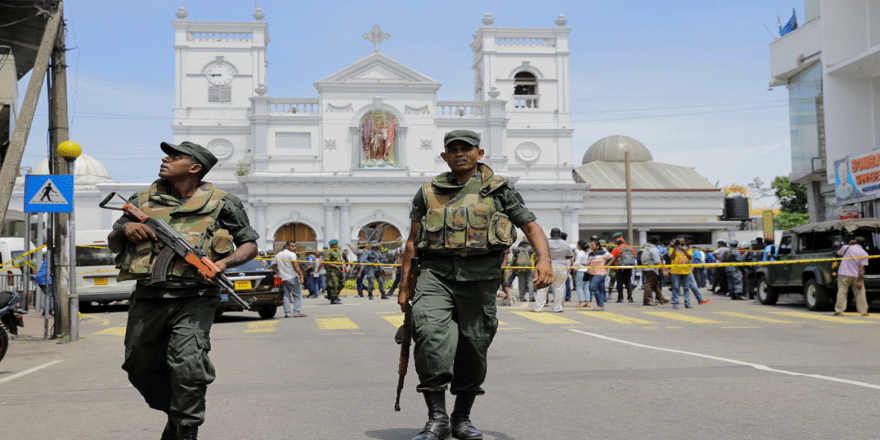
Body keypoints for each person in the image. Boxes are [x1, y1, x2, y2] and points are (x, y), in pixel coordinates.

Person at [398, 130, 552, 440]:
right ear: (444, 156)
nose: (459, 153)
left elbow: (531, 227)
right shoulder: (427, 192)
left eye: (465, 149)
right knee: (429, 335)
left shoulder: (499, 190)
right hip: (435, 274)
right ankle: (437, 419)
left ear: (479, 153)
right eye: (452, 149)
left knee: (473, 344)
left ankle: (462, 418)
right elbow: (412, 243)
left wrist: (544, 260)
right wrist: (405, 286)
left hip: (480, 278)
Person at [108, 141, 259, 440]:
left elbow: (249, 243)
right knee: (138, 366)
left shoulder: (222, 202)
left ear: (194, 167)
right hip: (149, 297)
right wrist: (124, 231)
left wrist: (224, 263)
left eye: (175, 156)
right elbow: (113, 242)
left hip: (196, 297)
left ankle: (186, 429)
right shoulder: (141, 200)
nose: (166, 159)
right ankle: (176, 415)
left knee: (188, 364)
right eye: (167, 155)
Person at [533, 228, 573, 313]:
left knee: (543, 287)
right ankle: (557, 307)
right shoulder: (565, 244)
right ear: (560, 234)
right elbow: (570, 256)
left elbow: (538, 254)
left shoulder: (545, 243)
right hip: (561, 267)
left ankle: (538, 308)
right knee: (559, 288)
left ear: (551, 234)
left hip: (548, 267)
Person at [668, 237, 710, 310]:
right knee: (676, 287)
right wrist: (675, 248)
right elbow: (672, 257)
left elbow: (690, 257)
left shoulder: (689, 249)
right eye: (679, 242)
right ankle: (675, 303)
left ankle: (687, 303)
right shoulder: (671, 249)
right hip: (675, 271)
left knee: (686, 288)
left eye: (682, 242)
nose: (681, 243)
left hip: (686, 271)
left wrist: (683, 250)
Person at [835, 237, 870, 316]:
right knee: (860, 293)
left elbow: (839, 253)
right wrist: (860, 281)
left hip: (843, 273)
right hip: (856, 275)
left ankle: (839, 311)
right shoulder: (865, 254)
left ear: (854, 241)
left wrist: (849, 245)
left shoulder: (846, 247)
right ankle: (863, 311)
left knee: (842, 291)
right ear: (864, 244)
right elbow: (862, 268)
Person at [272, 240, 306, 317]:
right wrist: (301, 275)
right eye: (292, 246)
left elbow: (273, 266)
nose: (294, 248)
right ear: (287, 246)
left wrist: (279, 272)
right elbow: (296, 265)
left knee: (285, 296)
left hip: (282, 278)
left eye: (295, 246)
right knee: (297, 295)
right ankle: (297, 312)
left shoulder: (278, 255)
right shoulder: (291, 254)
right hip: (292, 277)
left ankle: (287, 313)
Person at [586, 240, 615, 311]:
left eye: (593, 245)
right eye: (591, 245)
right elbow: (589, 262)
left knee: (592, 287)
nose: (591, 246)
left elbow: (613, 258)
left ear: (598, 246)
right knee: (597, 289)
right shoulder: (590, 254)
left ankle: (601, 304)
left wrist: (607, 265)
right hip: (591, 273)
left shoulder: (602, 253)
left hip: (600, 273)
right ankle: (600, 305)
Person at [641, 235, 668, 306]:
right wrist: (664, 270)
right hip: (651, 269)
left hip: (646, 268)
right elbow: (658, 261)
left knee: (656, 285)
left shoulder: (647, 248)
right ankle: (646, 301)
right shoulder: (654, 250)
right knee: (649, 285)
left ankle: (662, 299)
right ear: (658, 241)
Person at [610, 232, 636, 302]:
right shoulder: (631, 248)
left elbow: (612, 258)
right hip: (628, 267)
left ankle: (620, 298)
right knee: (628, 282)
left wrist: (609, 266)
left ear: (617, 243)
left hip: (619, 268)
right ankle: (630, 298)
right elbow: (634, 256)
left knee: (620, 283)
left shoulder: (616, 249)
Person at [323, 239, 348, 305]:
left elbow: (346, 260)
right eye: (334, 245)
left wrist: (345, 267)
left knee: (342, 284)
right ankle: (333, 299)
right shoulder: (328, 252)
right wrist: (336, 266)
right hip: (332, 270)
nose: (335, 245)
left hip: (340, 270)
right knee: (334, 284)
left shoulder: (340, 252)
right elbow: (326, 262)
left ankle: (333, 295)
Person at [572, 240, 591, 307]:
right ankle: (588, 301)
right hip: (587, 270)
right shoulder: (588, 252)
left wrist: (574, 268)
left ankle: (581, 302)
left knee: (579, 287)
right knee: (586, 287)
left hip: (580, 270)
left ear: (579, 246)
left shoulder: (579, 252)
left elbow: (577, 262)